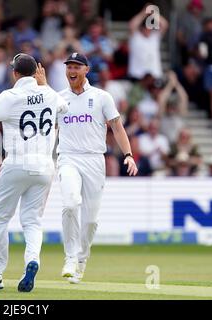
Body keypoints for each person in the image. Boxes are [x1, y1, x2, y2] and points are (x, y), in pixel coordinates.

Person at [0, 53, 68, 292]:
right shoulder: (49, 93)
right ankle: (32, 260)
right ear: (36, 73)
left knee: (0, 219)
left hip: (17, 163)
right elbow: (64, 108)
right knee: (32, 221)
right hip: (44, 166)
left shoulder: (10, 96)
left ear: (14, 73)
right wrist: (45, 86)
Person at [52, 52, 138, 284]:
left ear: (86, 70)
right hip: (68, 157)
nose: (71, 70)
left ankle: (81, 259)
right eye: (69, 66)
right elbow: (49, 131)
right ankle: (70, 257)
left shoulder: (102, 97)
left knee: (90, 220)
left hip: (94, 160)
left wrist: (128, 155)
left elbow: (117, 128)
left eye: (76, 67)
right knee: (70, 203)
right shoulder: (58, 99)